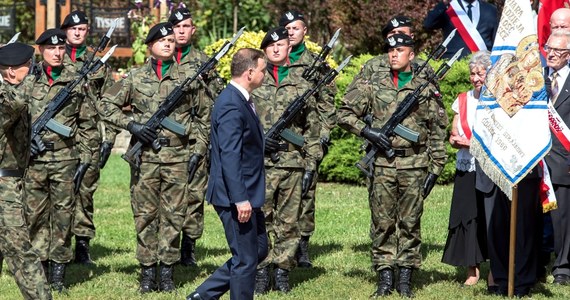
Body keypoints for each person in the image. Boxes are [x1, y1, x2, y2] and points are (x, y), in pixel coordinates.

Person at [98, 22, 211, 293]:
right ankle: (148, 273)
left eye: (172, 40)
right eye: (162, 41)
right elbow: (104, 104)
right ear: (150, 46)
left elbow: (205, 116)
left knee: (174, 215)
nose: (169, 43)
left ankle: (168, 272)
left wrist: (197, 150)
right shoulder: (135, 78)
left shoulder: (189, 79)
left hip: (177, 157)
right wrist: (131, 125)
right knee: (145, 215)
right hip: (146, 158)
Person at [338, 34, 448, 298]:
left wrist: (436, 166)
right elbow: (343, 113)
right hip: (382, 164)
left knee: (410, 222)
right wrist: (368, 132)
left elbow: (436, 128)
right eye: (390, 50)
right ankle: (385, 276)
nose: (393, 54)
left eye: (400, 50)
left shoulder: (425, 86)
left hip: (414, 163)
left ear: (412, 55)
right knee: (382, 222)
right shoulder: (374, 83)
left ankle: (406, 278)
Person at [186, 47, 268, 300]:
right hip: (236, 195)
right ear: (250, 72)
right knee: (245, 259)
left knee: (259, 250)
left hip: (248, 192)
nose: (266, 75)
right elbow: (230, 155)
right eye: (263, 70)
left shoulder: (240, 99)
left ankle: (202, 296)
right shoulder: (232, 104)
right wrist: (240, 199)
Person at [21, 28, 92, 292]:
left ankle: (59, 275)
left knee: (63, 216)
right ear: (41, 50)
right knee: (34, 216)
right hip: (33, 160)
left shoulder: (76, 79)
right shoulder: (27, 79)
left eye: (61, 48)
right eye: (51, 48)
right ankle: (40, 268)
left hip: (65, 158)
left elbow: (87, 123)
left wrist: (86, 158)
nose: (58, 52)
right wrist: (24, 140)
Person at [252, 27, 321, 294]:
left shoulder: (302, 85)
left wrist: (310, 164)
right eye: (271, 46)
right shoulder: (253, 82)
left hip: (292, 163)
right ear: (265, 51)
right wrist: (258, 142)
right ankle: (261, 272)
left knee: (289, 222)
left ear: (289, 48)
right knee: (261, 218)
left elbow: (312, 129)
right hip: (262, 164)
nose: (277, 49)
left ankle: (282, 272)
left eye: (281, 44)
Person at [278, 9, 337, 268]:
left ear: (305, 32)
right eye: (287, 28)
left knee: (305, 191)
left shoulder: (317, 64)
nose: (291, 32)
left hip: (306, 137)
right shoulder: (274, 60)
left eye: (296, 28)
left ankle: (302, 246)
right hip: (277, 138)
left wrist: (322, 136)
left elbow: (327, 105)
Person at [168, 7, 223, 267]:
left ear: (193, 30)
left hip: (196, 138)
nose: (181, 31)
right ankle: (166, 244)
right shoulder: (162, 58)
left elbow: (218, 99)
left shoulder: (204, 63)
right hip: (166, 143)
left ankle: (188, 247)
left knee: (193, 195)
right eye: (176, 26)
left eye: (185, 26)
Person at [60, 9, 115, 265]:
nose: (78, 33)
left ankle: (82, 244)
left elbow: (109, 101)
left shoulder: (98, 62)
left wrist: (110, 137)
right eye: (73, 29)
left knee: (85, 190)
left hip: (90, 135)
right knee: (59, 189)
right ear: (65, 31)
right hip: (60, 136)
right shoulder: (54, 57)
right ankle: (58, 245)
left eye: (82, 29)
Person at [0, 42, 53, 300]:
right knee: (22, 253)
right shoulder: (4, 95)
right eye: (28, 67)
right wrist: (32, 80)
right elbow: (15, 105)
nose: (33, 70)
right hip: (2, 191)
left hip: (10, 184)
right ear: (11, 72)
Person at [441, 50, 491, 286]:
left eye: (480, 73)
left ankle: (495, 269)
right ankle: (472, 270)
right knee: (467, 216)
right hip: (467, 166)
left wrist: (475, 143)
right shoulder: (462, 99)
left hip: (491, 168)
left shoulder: (498, 102)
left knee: (489, 216)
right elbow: (452, 136)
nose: (475, 78)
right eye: (473, 73)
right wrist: (455, 141)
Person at [544, 29, 570, 285]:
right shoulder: (536, 78)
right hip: (535, 161)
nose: (551, 54)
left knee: (561, 218)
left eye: (558, 51)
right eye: (548, 49)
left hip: (564, 160)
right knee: (535, 216)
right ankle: (537, 261)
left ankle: (562, 266)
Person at [423, 0, 499, 59]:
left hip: (482, 65)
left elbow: (495, 39)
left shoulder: (491, 10)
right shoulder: (449, 8)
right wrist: (444, 3)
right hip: (453, 64)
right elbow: (428, 24)